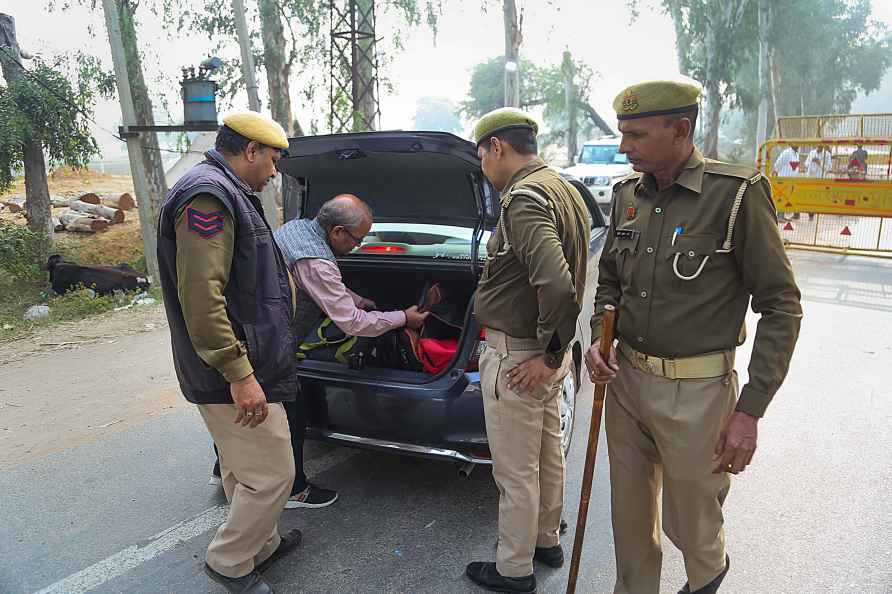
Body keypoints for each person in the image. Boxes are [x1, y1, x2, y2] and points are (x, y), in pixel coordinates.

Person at [585, 81, 802, 594]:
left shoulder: (736, 196)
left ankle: (706, 580)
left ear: (681, 130)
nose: (624, 146)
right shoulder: (626, 197)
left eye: (636, 134)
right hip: (627, 384)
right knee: (631, 523)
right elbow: (610, 281)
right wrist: (600, 337)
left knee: (693, 525)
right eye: (623, 134)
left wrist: (750, 409)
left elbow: (781, 305)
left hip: (697, 394)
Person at [157, 111, 301, 594]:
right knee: (276, 472)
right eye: (273, 159)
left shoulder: (230, 191)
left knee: (245, 469)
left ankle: (264, 544)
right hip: (229, 367)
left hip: (244, 360)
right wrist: (239, 373)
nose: (276, 171)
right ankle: (230, 560)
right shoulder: (210, 196)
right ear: (252, 151)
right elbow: (201, 295)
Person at [465, 108, 590, 594]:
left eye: (481, 156)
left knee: (515, 470)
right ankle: (545, 541)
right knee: (546, 455)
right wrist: (556, 354)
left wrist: (549, 356)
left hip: (522, 357)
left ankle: (513, 569)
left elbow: (557, 285)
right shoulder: (562, 187)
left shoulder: (522, 199)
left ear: (496, 148)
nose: (483, 167)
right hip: (543, 355)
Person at [271, 193, 429, 509]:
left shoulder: (296, 228)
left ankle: (225, 469)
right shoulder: (317, 260)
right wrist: (402, 318)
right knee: (292, 412)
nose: (357, 247)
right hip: (275, 343)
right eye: (357, 239)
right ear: (338, 232)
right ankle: (295, 489)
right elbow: (353, 325)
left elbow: (326, 290)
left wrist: (358, 299)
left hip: (263, 330)